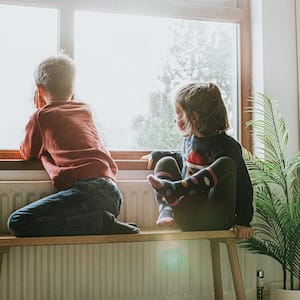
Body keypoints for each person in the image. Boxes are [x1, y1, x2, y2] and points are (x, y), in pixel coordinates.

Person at [7, 54, 139, 237]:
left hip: (87, 192)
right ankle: (99, 221)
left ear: (39, 89)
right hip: (113, 193)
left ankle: (98, 223)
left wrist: (39, 111)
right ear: (72, 86)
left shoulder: (41, 116)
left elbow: (27, 152)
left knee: (18, 221)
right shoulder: (85, 109)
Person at [144, 82, 253, 239]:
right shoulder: (189, 142)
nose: (175, 120)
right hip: (186, 217)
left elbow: (244, 185)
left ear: (194, 118)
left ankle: (177, 190)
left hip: (215, 217)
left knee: (226, 164)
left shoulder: (228, 146)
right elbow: (182, 159)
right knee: (165, 162)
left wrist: (244, 221)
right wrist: (157, 155)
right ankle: (166, 208)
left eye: (179, 114)